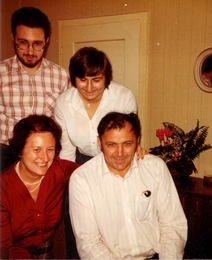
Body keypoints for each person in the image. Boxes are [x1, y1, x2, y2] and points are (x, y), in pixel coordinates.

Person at [54, 46, 146, 258]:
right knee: (79, 226)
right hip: (79, 162)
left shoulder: (123, 97)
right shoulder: (64, 102)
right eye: (82, 79)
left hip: (117, 160)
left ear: (107, 77)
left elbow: (127, 137)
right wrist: (71, 185)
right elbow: (67, 150)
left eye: (96, 79)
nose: (89, 87)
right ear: (73, 78)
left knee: (116, 223)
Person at [69, 112, 188, 259]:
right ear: (99, 142)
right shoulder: (82, 179)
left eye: (127, 144)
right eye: (111, 145)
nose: (120, 153)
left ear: (138, 141)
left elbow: (173, 225)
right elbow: (89, 243)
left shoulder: (156, 168)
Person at [0, 7, 70, 172]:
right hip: (5, 156)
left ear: (46, 41)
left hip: (44, 158)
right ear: (13, 38)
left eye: (37, 44)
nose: (30, 51)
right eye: (23, 42)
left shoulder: (61, 76)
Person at [0, 114, 79, 259]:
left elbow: (92, 171)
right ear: (20, 150)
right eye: (37, 150)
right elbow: (4, 249)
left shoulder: (58, 171)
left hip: (50, 253)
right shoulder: (3, 189)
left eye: (50, 149)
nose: (45, 158)